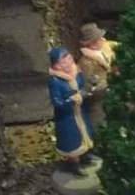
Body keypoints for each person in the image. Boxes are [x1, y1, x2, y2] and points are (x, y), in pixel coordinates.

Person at [48, 47, 95, 177]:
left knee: (85, 133)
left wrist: (87, 90)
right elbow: (57, 102)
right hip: (67, 116)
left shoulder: (77, 73)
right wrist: (71, 100)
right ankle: (74, 163)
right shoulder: (55, 81)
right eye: (63, 62)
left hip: (80, 112)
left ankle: (84, 155)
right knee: (71, 140)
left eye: (69, 59)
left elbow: (82, 87)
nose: (68, 63)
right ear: (56, 66)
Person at [78, 23, 117, 127]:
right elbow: (87, 80)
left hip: (113, 85)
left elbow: (115, 46)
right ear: (92, 43)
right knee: (98, 113)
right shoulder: (86, 62)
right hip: (99, 91)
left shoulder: (105, 46)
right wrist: (93, 87)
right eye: (99, 39)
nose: (103, 39)